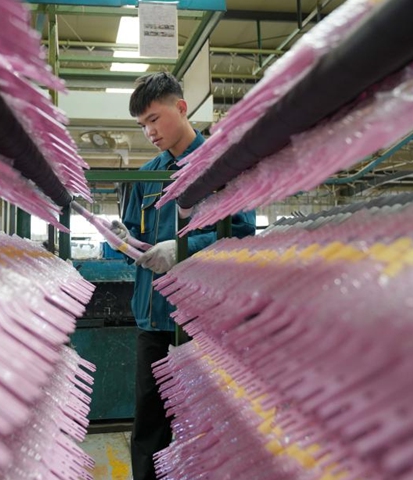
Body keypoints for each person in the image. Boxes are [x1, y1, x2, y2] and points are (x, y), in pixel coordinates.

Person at [110, 72, 256, 480]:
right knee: (149, 425)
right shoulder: (144, 176)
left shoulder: (223, 166)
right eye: (142, 125)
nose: (149, 132)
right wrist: (121, 243)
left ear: (180, 107)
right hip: (154, 318)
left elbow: (242, 233)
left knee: (206, 424)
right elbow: (132, 237)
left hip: (205, 320)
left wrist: (183, 249)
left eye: (154, 119)